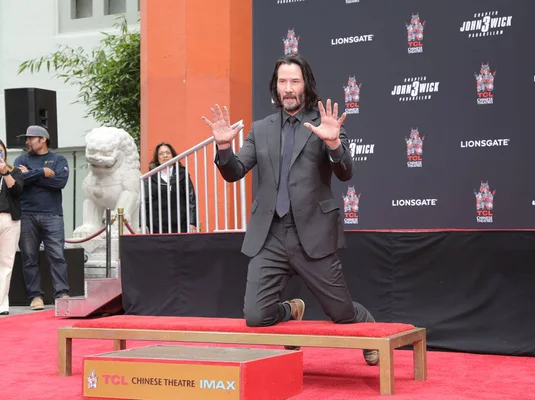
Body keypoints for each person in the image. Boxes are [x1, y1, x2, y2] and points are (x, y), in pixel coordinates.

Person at [201, 53, 379, 365]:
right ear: (276, 87)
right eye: (282, 81)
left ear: (306, 85)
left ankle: (365, 322)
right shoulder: (262, 128)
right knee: (256, 316)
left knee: (341, 313)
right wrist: (224, 148)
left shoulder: (324, 124)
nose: (288, 88)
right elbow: (234, 172)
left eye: (294, 81)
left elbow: (345, 172)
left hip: (312, 232)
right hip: (270, 235)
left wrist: (334, 144)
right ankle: (290, 310)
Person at [14, 125, 70, 310]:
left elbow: (60, 182)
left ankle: (62, 293)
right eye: (27, 138)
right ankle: (35, 296)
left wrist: (30, 174)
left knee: (57, 256)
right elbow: (18, 182)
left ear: (43, 139)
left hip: (52, 214)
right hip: (26, 214)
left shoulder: (58, 159)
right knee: (29, 258)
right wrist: (41, 173)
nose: (27, 142)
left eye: (31, 138)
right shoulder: (21, 159)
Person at [144, 142, 198, 233]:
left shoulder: (182, 174)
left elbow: (191, 199)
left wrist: (192, 222)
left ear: (173, 155)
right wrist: (144, 224)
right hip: (157, 225)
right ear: (157, 157)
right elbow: (145, 201)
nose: (165, 155)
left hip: (180, 224)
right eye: (161, 153)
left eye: (168, 153)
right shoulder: (150, 176)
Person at [0, 140, 24, 316]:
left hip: (9, 219)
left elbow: (16, 190)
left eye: (0, 152)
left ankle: (2, 304)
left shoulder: (14, 171)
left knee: (6, 263)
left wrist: (4, 172)